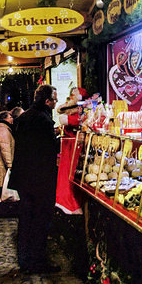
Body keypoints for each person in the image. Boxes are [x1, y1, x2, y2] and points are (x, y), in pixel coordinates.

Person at [9, 84, 60, 274]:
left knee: (26, 219)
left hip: (24, 177)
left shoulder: (24, 117)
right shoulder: (44, 120)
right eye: (54, 99)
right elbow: (49, 149)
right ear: (47, 101)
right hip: (39, 179)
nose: (56, 102)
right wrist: (59, 140)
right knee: (40, 220)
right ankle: (38, 261)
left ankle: (25, 260)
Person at [56, 87, 88, 215]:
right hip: (69, 147)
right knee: (67, 174)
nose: (70, 98)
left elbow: (74, 121)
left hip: (73, 147)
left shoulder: (78, 114)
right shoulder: (72, 112)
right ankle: (65, 202)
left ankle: (68, 203)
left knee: (69, 175)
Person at [0, 110, 15, 206]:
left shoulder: (3, 129)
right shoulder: (3, 130)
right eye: (10, 117)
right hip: (0, 164)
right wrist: (9, 164)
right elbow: (5, 148)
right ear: (5, 119)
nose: (12, 119)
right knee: (0, 187)